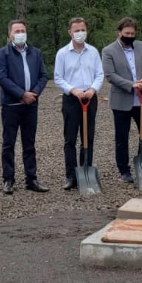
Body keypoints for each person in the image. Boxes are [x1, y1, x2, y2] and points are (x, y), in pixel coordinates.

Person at [0, 20, 49, 195]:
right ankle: (8, 179)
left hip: (31, 104)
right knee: (8, 143)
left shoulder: (35, 53)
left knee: (29, 143)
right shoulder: (3, 53)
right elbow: (2, 78)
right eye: (17, 31)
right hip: (11, 105)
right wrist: (21, 94)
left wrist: (34, 93)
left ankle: (31, 178)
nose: (20, 33)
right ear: (10, 34)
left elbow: (43, 76)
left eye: (23, 30)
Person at [102, 17, 142, 184]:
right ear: (119, 33)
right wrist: (131, 85)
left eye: (132, 33)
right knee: (122, 137)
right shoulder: (108, 51)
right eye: (126, 33)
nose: (130, 36)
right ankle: (124, 171)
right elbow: (110, 75)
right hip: (121, 101)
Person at [54, 17, 104, 190]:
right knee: (70, 139)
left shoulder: (93, 52)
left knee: (87, 137)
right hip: (72, 99)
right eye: (76, 30)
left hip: (90, 98)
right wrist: (74, 91)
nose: (80, 33)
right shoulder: (62, 53)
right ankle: (71, 176)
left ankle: (86, 170)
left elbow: (99, 74)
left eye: (82, 29)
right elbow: (58, 78)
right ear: (70, 32)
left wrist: (92, 90)